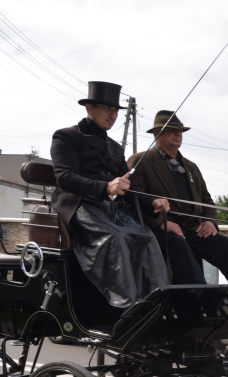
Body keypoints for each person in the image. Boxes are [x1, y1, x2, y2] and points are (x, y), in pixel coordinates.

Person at [50, 81, 172, 309]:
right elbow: (65, 178)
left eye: (115, 110)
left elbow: (129, 188)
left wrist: (152, 202)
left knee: (146, 237)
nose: (113, 115)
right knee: (116, 238)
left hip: (110, 210)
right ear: (89, 108)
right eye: (107, 109)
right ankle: (127, 307)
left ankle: (157, 302)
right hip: (79, 207)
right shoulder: (66, 137)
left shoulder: (115, 147)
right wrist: (106, 187)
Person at [128, 110, 228, 284]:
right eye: (172, 130)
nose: (177, 134)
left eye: (180, 131)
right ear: (157, 133)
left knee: (226, 246)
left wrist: (210, 221)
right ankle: (202, 297)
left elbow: (206, 199)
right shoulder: (141, 161)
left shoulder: (191, 167)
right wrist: (161, 223)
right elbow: (132, 200)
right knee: (180, 247)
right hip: (162, 233)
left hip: (194, 231)